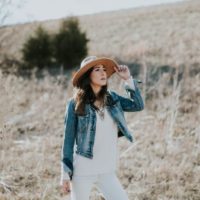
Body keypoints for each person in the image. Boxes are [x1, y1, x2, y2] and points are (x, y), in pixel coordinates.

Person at [60, 55, 144, 200]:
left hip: (107, 170)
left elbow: (138, 105)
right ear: (87, 75)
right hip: (83, 171)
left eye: (104, 69)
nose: (103, 73)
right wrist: (65, 174)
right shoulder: (75, 104)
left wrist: (128, 79)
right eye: (97, 70)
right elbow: (68, 140)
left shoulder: (113, 98)